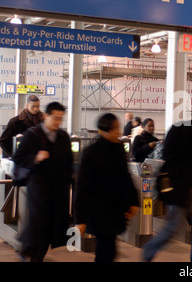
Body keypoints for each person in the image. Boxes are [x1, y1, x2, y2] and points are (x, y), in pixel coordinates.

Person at [143, 102, 192, 262]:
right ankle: (148, 252)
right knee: (171, 229)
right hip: (179, 189)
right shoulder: (179, 129)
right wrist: (177, 179)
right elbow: (169, 156)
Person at [74, 113, 139, 262]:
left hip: (116, 208)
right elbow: (82, 187)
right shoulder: (91, 152)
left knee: (107, 250)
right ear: (104, 130)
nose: (119, 132)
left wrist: (133, 201)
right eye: (114, 129)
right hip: (98, 211)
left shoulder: (119, 149)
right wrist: (80, 219)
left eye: (118, 128)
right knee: (106, 249)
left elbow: (126, 176)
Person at [13, 102, 73, 262]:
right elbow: (18, 158)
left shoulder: (63, 137)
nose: (57, 122)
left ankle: (28, 249)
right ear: (46, 116)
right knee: (39, 225)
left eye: (60, 119)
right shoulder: (32, 135)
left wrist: (68, 183)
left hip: (58, 190)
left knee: (49, 226)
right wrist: (35, 157)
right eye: (55, 118)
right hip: (38, 189)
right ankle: (33, 255)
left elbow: (68, 163)